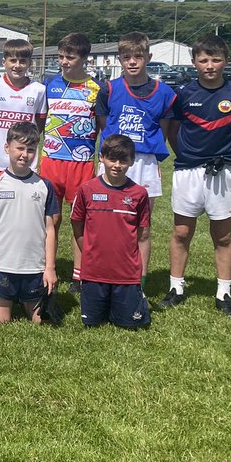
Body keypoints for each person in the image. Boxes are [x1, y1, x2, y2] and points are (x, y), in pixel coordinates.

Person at [161, 35, 231, 317]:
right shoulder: (184, 93)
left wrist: (228, 156)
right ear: (194, 63)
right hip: (188, 172)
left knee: (223, 235)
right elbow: (174, 132)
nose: (210, 65)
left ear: (225, 61)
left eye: (216, 59)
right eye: (204, 60)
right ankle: (176, 287)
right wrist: (189, 156)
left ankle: (223, 293)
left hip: (223, 172)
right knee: (181, 232)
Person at [95, 32, 176, 284]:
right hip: (112, 161)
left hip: (144, 163)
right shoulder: (109, 89)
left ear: (148, 57)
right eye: (126, 57)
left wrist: (148, 154)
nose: (132, 62)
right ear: (118, 59)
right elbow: (104, 125)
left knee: (142, 227)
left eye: (138, 56)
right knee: (105, 224)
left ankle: (137, 282)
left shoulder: (164, 93)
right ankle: (103, 276)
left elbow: (163, 129)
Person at [0, 122, 59, 325]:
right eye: (20, 148)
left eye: (30, 150)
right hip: (3, 265)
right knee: (1, 321)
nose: (25, 154)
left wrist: (49, 268)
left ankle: (26, 299)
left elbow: (50, 229)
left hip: (34, 267)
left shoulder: (44, 186)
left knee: (41, 321)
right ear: (7, 147)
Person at [71, 135, 152, 329]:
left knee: (129, 324)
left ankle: (135, 296)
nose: (117, 165)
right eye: (112, 159)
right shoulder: (86, 190)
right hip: (94, 273)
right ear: (102, 158)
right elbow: (77, 227)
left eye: (123, 160)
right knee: (92, 323)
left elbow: (143, 236)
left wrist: (141, 274)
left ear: (131, 161)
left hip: (126, 274)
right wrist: (90, 253)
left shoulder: (139, 194)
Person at [40, 32, 99, 289]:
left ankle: (79, 273)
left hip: (81, 162)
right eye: (61, 56)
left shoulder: (97, 88)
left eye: (70, 57)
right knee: (50, 219)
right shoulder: (49, 85)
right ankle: (44, 267)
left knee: (80, 220)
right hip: (52, 159)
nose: (64, 61)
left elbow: (103, 126)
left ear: (84, 58)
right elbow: (41, 122)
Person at [0, 38, 47, 184]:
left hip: (25, 160)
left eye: (23, 61)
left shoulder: (39, 90)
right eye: (13, 60)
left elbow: (39, 125)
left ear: (29, 64)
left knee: (24, 202)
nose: (17, 66)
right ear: (4, 62)